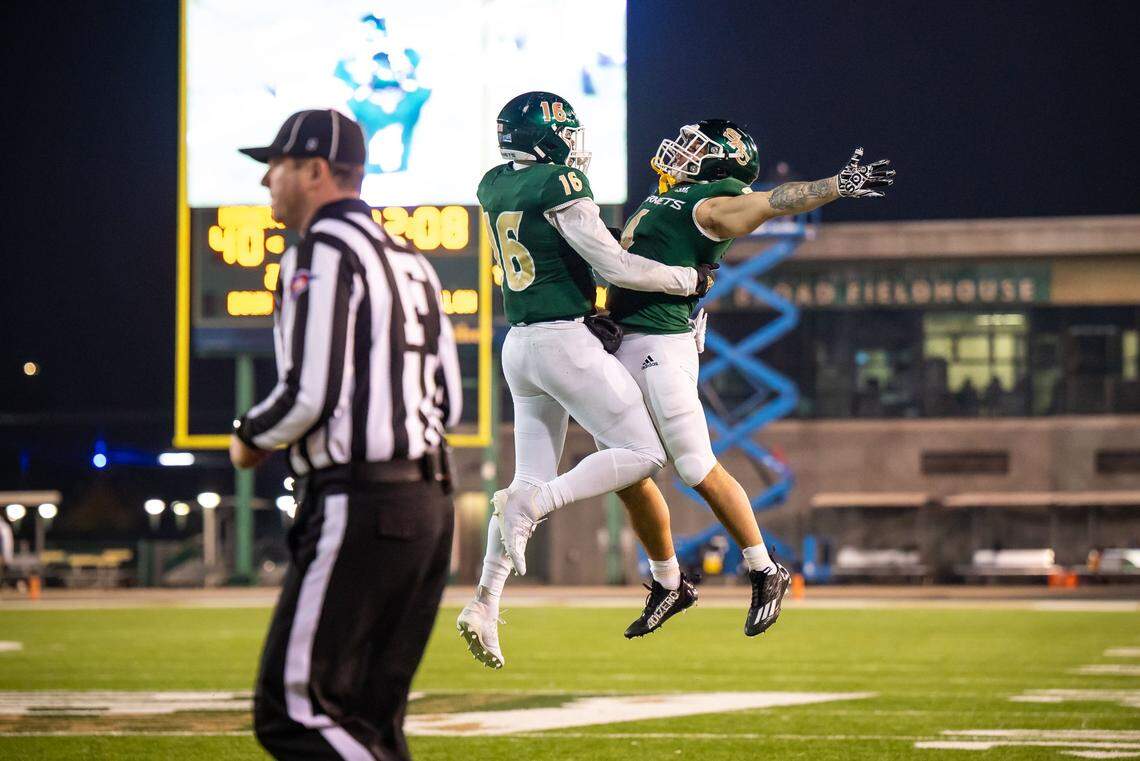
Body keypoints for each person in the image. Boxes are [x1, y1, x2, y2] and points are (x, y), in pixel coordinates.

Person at [230, 108, 461, 760]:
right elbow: (452, 400)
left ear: (314, 169)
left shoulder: (322, 250)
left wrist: (248, 436)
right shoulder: (412, 257)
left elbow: (310, 392)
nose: (266, 182)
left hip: (359, 500)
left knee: (295, 714)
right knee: (368, 721)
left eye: (274, 166)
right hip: (430, 504)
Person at [456, 91, 715, 669]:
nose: (573, 143)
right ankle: (539, 504)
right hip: (561, 341)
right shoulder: (561, 184)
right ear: (546, 137)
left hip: (518, 346)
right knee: (645, 453)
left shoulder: (494, 182)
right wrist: (686, 280)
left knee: (523, 477)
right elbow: (613, 266)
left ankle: (483, 602)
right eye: (565, 132)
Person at [608, 121, 894, 637]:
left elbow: (775, 202)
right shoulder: (665, 200)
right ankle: (668, 582)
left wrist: (832, 186)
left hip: (660, 346)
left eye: (699, 148)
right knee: (627, 474)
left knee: (695, 464)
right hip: (625, 342)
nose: (683, 152)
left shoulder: (711, 204)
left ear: (721, 166)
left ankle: (765, 569)